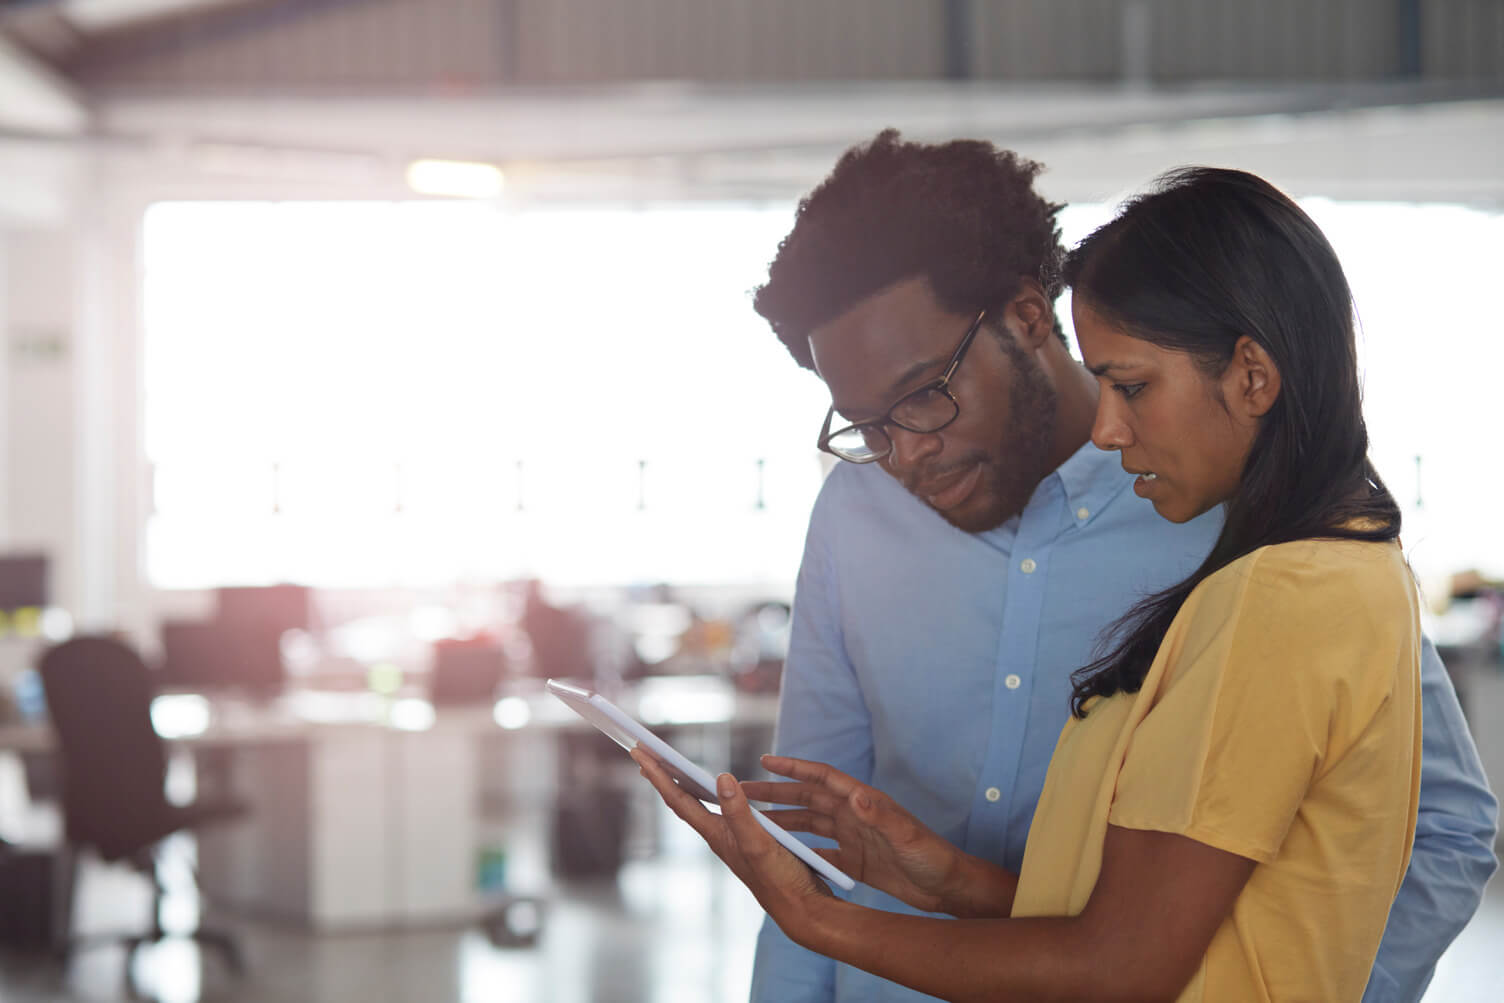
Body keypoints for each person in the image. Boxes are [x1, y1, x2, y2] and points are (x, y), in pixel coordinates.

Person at [641, 134, 1497, 1002]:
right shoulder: (855, 520)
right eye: (867, 425)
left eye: (924, 395)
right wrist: (939, 886)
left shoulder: (1252, 533)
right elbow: (808, 850)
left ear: (1025, 315)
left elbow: (1444, 829)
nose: (903, 453)